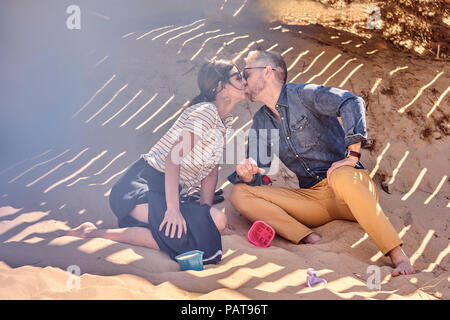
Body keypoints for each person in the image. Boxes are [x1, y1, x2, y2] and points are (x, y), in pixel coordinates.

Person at [227, 50, 415, 276]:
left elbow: (351, 101)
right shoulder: (261, 120)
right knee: (239, 193)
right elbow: (258, 168)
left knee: (340, 175)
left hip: (349, 186)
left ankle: (398, 256)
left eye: (247, 72)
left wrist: (352, 155)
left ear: (267, 72)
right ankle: (307, 236)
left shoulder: (303, 95)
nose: (244, 79)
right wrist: (248, 174)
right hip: (314, 201)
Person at [66, 60, 246, 265]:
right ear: (221, 87)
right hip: (141, 188)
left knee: (210, 223)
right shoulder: (206, 112)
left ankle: (108, 231)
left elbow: (211, 173)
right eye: (238, 77)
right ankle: (91, 234)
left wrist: (202, 216)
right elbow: (173, 157)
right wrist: (173, 209)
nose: (244, 80)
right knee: (204, 226)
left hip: (165, 192)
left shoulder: (225, 120)